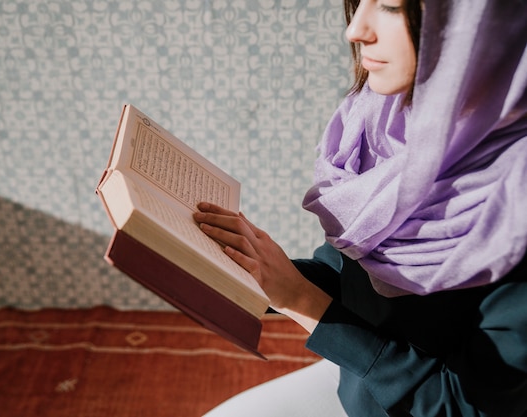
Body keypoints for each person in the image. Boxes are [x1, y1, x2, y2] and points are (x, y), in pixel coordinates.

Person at [194, 0, 527, 415]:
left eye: (389, 6)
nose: (355, 30)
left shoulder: (515, 211)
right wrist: (244, 269)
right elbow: (352, 276)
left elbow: (463, 407)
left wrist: (303, 304)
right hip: (358, 389)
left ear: (485, 24)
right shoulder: (385, 122)